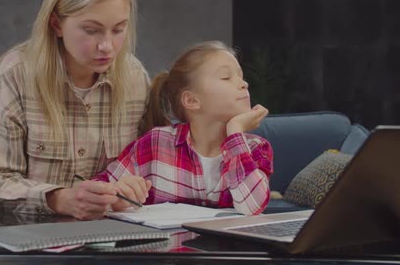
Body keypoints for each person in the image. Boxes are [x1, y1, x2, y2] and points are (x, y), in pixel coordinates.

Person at [0, 0, 151, 220]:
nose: (107, 46)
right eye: (91, 30)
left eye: (118, 29)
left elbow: (150, 164)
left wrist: (131, 191)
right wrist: (58, 199)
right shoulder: (14, 75)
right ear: (57, 24)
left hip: (103, 240)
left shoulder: (135, 79)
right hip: (20, 241)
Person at [93, 41, 273, 215]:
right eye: (226, 77)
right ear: (192, 100)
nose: (244, 84)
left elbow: (252, 207)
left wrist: (235, 131)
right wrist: (117, 196)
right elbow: (98, 191)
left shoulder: (256, 148)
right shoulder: (155, 144)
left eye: (241, 77)